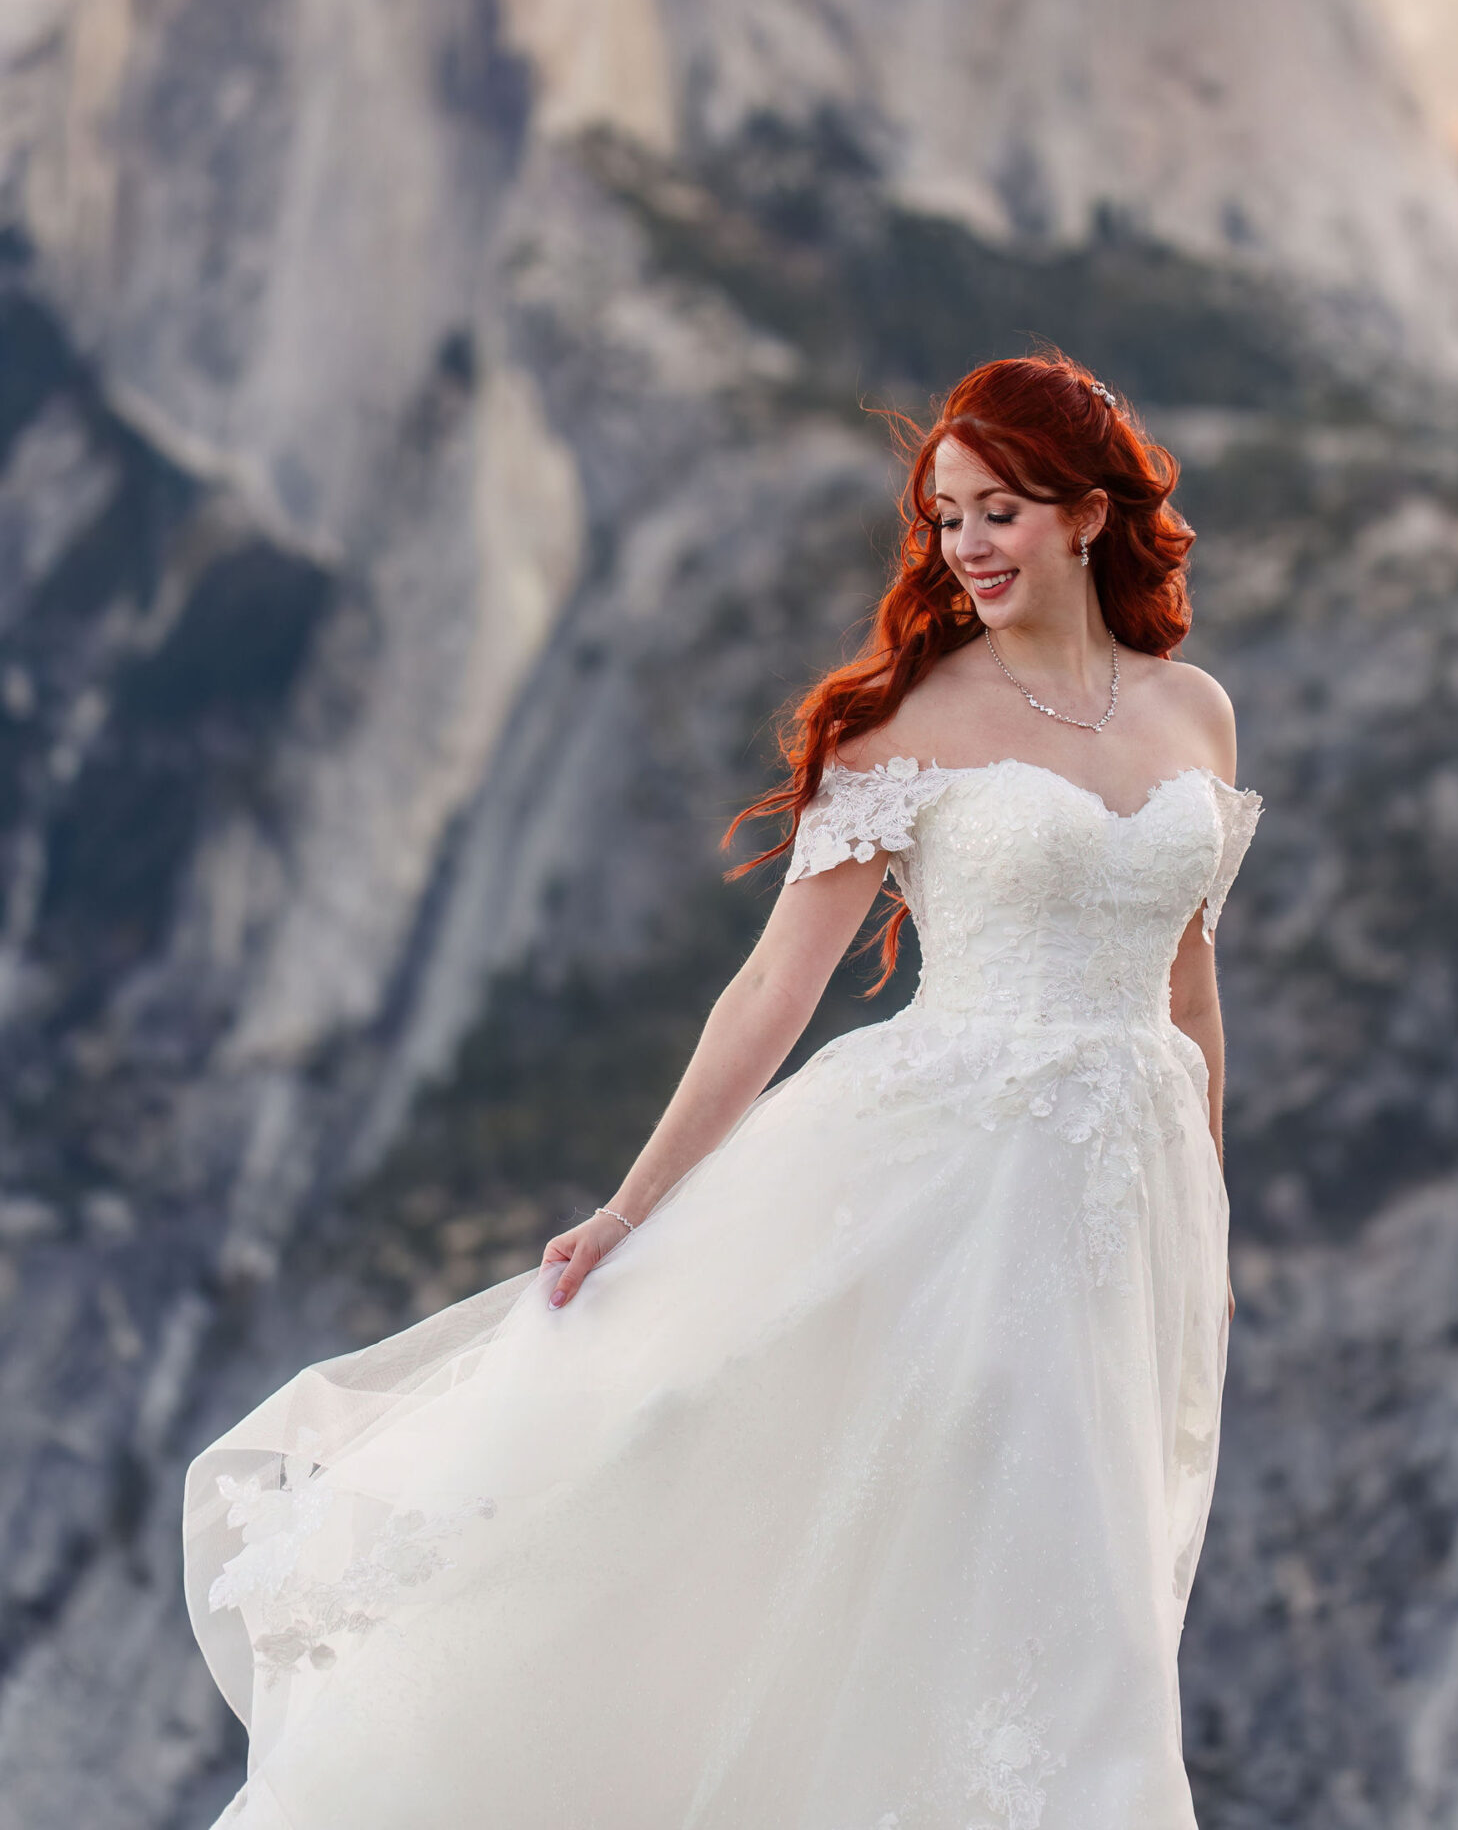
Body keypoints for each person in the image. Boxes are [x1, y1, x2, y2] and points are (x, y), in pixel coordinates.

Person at [184, 353, 1260, 1830]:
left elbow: (1190, 992)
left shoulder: (1196, 713)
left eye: (1000, 510)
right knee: (935, 1554)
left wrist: (1208, 1221)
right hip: (950, 1195)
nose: (970, 548)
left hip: (1128, 1211)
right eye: (947, 520)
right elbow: (772, 988)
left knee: (1093, 1581)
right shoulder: (908, 725)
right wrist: (637, 1204)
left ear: (1086, 514)